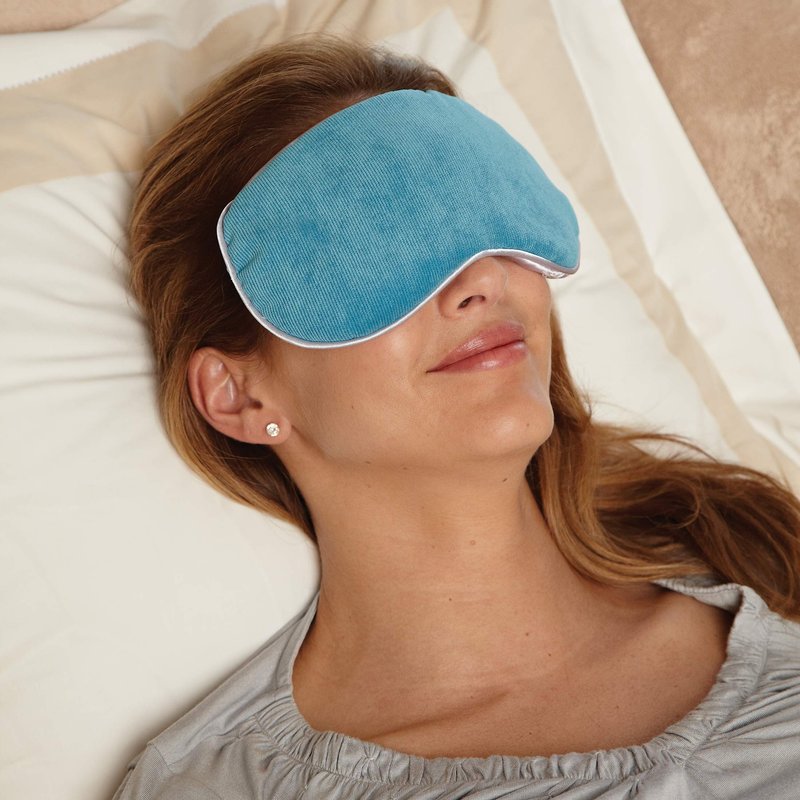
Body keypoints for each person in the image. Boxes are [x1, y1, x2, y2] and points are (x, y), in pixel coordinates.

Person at [112, 30, 800, 800]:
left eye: (484, 219)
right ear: (240, 397)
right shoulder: (219, 786)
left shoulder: (775, 581)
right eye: (377, 245)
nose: (481, 280)